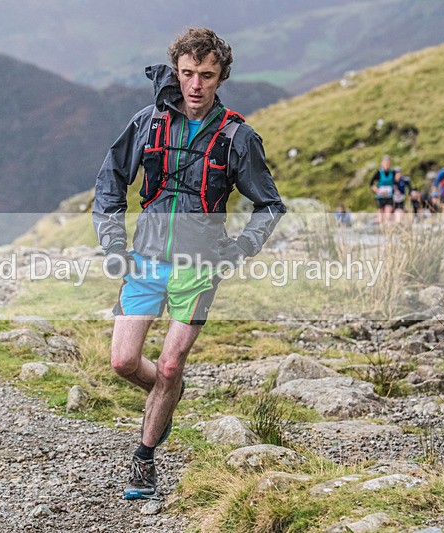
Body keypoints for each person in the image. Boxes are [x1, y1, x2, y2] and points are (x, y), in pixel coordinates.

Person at [92, 28, 285, 500]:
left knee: (172, 364)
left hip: (200, 266)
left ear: (221, 78)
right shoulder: (147, 123)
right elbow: (109, 184)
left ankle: (144, 459)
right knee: (122, 362)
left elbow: (270, 205)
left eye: (207, 75)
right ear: (176, 71)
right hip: (145, 260)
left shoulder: (238, 137)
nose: (195, 85)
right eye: (187, 74)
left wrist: (240, 249)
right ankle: (168, 394)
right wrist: (114, 244)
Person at [369, 155, 395, 223]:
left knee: (388, 216)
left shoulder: (392, 172)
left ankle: (387, 230)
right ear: (382, 163)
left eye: (388, 163)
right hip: (380, 197)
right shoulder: (379, 172)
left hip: (389, 197)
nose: (387, 164)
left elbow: (397, 182)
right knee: (380, 217)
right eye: (385, 163)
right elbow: (371, 183)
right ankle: (376, 224)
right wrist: (377, 190)